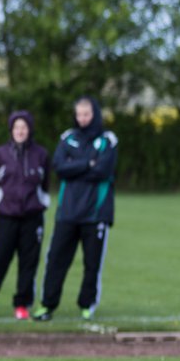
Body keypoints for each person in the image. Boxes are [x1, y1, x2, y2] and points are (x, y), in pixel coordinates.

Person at [34, 96, 119, 321]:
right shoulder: (68, 138)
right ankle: (47, 305)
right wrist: (86, 163)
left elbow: (102, 171)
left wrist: (76, 167)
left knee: (92, 264)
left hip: (95, 213)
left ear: (95, 114)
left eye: (87, 114)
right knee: (56, 260)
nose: (82, 119)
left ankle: (87, 305)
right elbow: (59, 167)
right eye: (79, 114)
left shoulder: (107, 140)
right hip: (68, 212)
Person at [0, 111, 49, 320]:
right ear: (11, 130)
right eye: (16, 128)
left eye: (24, 127)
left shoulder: (41, 154)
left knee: (28, 263)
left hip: (32, 217)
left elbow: (45, 184)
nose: (20, 131)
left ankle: (22, 304)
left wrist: (38, 203)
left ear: (29, 129)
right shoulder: (2, 153)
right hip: (6, 216)